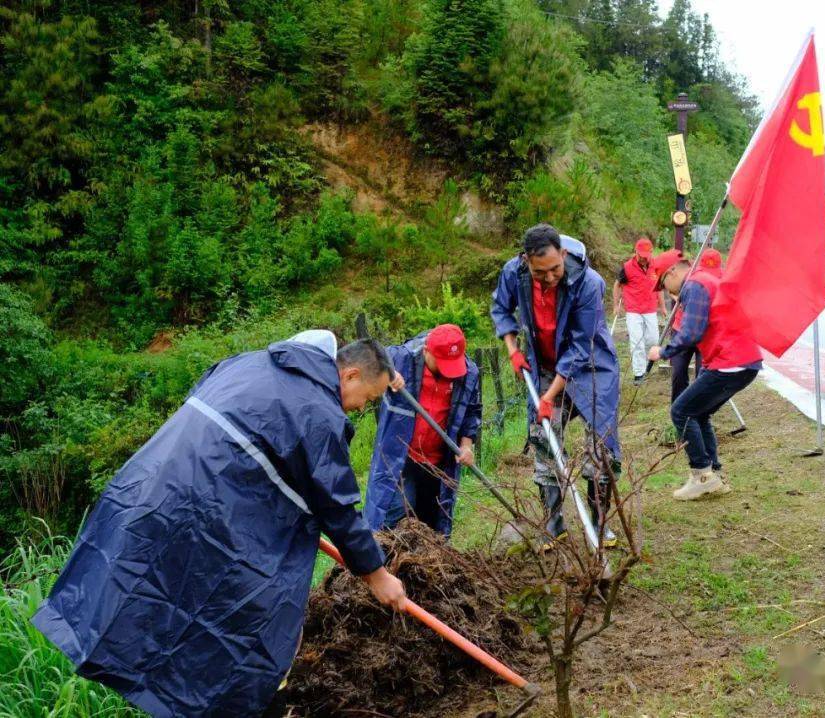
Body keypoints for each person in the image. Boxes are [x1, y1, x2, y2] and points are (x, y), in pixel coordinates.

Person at [32, 330, 407, 717]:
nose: (362, 408)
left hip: (146, 496)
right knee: (257, 622)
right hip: (206, 516)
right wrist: (377, 575)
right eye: (370, 399)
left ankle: (167, 697)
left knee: (149, 604)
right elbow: (338, 506)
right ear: (349, 376)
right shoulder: (318, 409)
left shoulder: (245, 364)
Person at [491, 223, 621, 549]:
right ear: (525, 261)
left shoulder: (588, 283)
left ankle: (598, 521)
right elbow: (500, 307)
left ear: (563, 254)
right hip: (546, 366)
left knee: (600, 448)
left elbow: (579, 347)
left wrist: (548, 396)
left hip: (592, 367)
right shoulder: (515, 273)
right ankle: (554, 520)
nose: (550, 278)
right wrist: (513, 349)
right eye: (540, 273)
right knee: (544, 439)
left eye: (555, 269)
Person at [648, 250, 762, 500]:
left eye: (664, 283)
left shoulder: (695, 285)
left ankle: (702, 474)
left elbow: (691, 332)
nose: (667, 291)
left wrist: (663, 351)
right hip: (742, 360)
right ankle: (714, 474)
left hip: (730, 360)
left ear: (673, 272)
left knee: (680, 411)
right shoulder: (703, 279)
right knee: (699, 413)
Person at [364, 324, 482, 538]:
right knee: (394, 519)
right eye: (444, 364)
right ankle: (382, 567)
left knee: (432, 526)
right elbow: (364, 359)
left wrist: (466, 446)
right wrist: (387, 375)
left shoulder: (469, 373)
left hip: (439, 463)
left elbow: (472, 412)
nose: (450, 371)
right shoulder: (400, 359)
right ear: (427, 351)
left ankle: (423, 570)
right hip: (401, 458)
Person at [669, 247, 723, 402]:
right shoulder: (689, 274)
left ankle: (699, 412)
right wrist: (679, 298)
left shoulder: (722, 278)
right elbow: (671, 287)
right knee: (678, 372)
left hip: (706, 335)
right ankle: (678, 409)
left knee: (703, 374)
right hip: (682, 329)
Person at [613, 237, 667, 384]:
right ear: (635, 252)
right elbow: (617, 285)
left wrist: (662, 306)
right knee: (637, 342)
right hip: (633, 310)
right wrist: (616, 305)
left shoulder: (655, 265)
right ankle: (639, 374)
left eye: (646, 256)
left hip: (650, 308)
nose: (643, 259)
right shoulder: (627, 267)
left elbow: (659, 287)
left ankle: (646, 364)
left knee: (653, 340)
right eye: (641, 256)